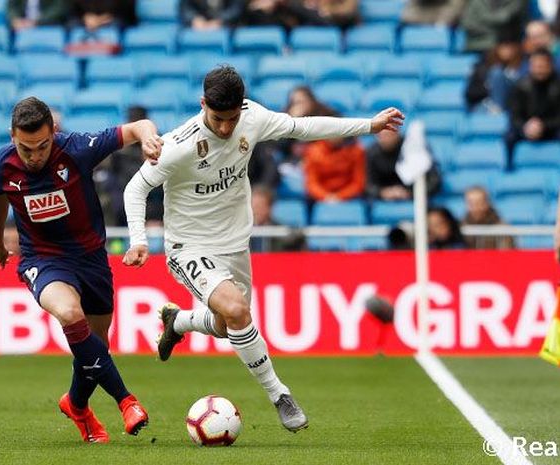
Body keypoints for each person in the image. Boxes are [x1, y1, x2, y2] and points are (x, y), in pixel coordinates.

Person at [122, 66, 403, 432]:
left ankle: (179, 321)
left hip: (235, 243)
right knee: (238, 310)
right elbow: (135, 188)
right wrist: (139, 239)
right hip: (188, 246)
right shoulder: (178, 145)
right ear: (203, 103)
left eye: (232, 118)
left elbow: (304, 128)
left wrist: (369, 125)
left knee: (228, 325)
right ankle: (280, 394)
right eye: (218, 119)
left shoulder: (252, 118)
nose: (226, 128)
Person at [0, 97, 163, 443]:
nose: (34, 156)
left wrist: (149, 137)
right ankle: (126, 401)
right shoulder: (0, 166)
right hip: (42, 258)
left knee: (95, 347)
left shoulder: (78, 149)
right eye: (25, 148)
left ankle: (77, 405)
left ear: (54, 132)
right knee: (69, 313)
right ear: (12, 137)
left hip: (91, 259)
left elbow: (136, 127)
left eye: (42, 146)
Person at [507, 48, 560, 156]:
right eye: (536, 66)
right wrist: (526, 127)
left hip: (552, 128)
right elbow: (514, 116)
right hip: (527, 128)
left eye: (542, 66)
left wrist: (543, 126)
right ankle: (509, 169)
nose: (539, 70)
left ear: (550, 66)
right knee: (509, 136)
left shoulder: (558, 86)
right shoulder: (520, 86)